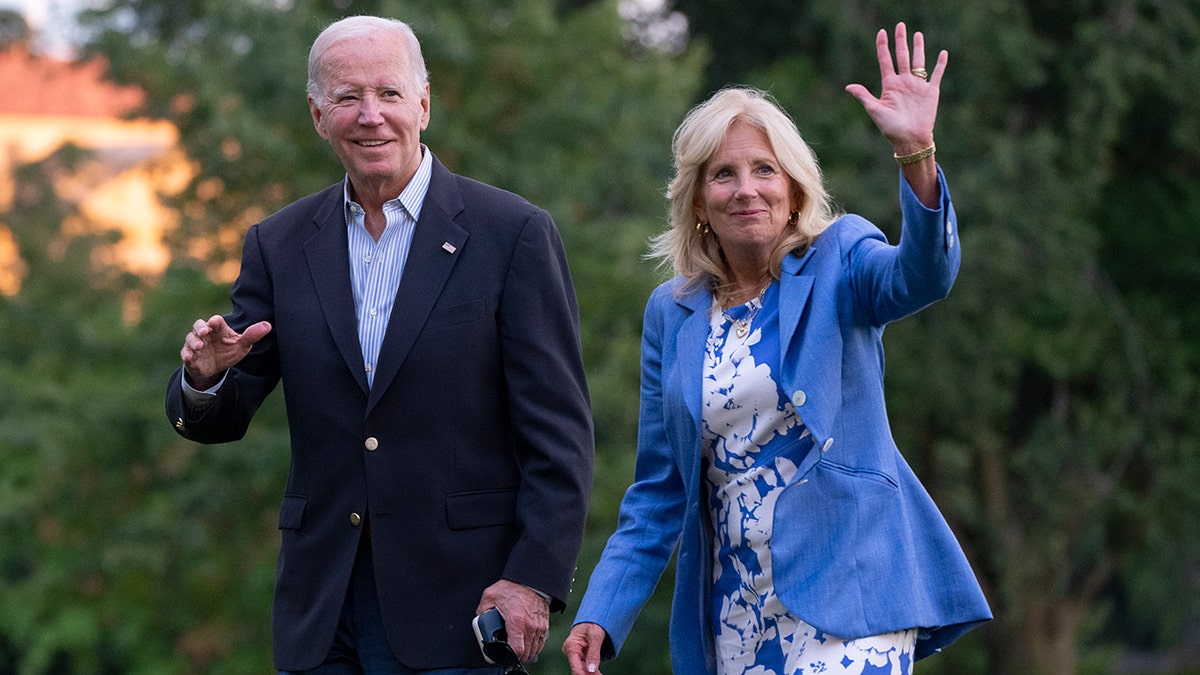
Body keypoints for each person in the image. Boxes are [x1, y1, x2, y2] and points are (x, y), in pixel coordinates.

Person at [165, 15, 594, 674]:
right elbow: (218, 417)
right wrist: (203, 379)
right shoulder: (278, 245)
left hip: (464, 608)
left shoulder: (511, 234)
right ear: (317, 114)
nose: (371, 116)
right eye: (347, 98)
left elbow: (560, 435)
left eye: (389, 94)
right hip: (322, 608)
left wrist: (532, 580)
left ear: (423, 103)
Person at [562, 22, 991, 675]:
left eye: (765, 169)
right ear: (700, 201)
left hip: (852, 592)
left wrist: (916, 153)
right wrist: (601, 610)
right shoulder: (671, 314)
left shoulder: (840, 261)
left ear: (793, 189)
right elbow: (658, 490)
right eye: (724, 174)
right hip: (738, 606)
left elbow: (922, 276)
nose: (746, 188)